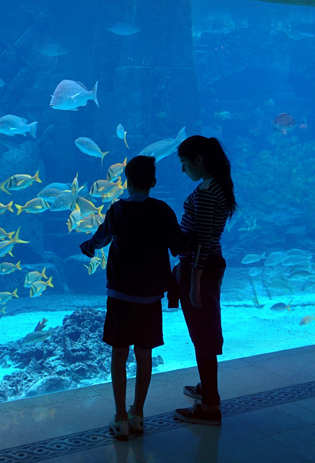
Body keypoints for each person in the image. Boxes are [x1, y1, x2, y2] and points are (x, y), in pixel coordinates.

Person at [80, 155, 183, 440]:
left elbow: (101, 238)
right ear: (153, 181)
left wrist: (88, 247)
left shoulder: (117, 210)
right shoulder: (162, 211)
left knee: (119, 354)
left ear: (126, 181)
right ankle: (138, 413)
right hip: (149, 298)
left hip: (120, 296)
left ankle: (120, 416)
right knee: (144, 354)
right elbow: (178, 245)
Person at [173, 135, 237, 426]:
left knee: (203, 334)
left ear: (199, 160)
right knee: (204, 328)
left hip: (201, 268)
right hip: (208, 265)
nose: (184, 171)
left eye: (185, 164)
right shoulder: (217, 187)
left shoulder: (209, 192)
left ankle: (210, 404)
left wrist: (194, 279)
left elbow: (203, 239)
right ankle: (206, 387)